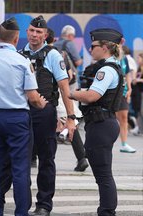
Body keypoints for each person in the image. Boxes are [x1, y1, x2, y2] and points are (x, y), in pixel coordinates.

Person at [0, 17, 47, 216]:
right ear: (16, 38)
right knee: (20, 168)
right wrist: (41, 103)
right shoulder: (22, 61)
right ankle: (21, 212)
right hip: (17, 119)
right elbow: (32, 97)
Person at [19, 15, 76, 216]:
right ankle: (21, 203)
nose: (34, 35)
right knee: (19, 159)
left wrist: (70, 118)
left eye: (39, 32)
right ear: (27, 32)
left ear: (45, 35)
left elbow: (63, 87)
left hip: (44, 112)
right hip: (22, 111)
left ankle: (43, 204)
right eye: (32, 30)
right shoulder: (19, 55)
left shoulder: (53, 55)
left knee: (46, 158)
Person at [69, 28, 124, 216]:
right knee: (103, 173)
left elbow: (92, 96)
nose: (90, 49)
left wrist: (71, 94)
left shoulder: (106, 70)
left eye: (94, 46)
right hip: (103, 123)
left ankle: (107, 211)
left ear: (106, 47)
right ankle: (106, 210)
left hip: (101, 124)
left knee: (103, 175)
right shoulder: (112, 66)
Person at [47, 28, 89, 172]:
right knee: (69, 121)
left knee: (40, 123)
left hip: (45, 94)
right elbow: (70, 76)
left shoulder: (39, 55)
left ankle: (33, 158)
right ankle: (81, 157)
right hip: (62, 91)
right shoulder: (62, 55)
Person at [116, 45, 136, 153]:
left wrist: (129, 88)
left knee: (124, 118)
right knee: (110, 118)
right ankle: (105, 142)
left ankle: (124, 144)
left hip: (123, 92)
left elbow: (127, 73)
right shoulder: (108, 58)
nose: (120, 47)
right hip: (111, 93)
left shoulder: (124, 58)